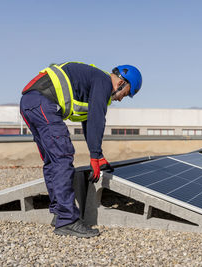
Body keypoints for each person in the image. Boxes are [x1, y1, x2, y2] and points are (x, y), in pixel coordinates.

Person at [20, 62, 142, 237]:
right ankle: (67, 221)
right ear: (121, 83)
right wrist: (96, 156)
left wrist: (96, 155)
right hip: (43, 102)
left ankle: (59, 213)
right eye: (126, 93)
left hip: (29, 103)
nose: (122, 98)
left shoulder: (93, 83)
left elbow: (89, 122)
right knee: (62, 158)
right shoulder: (103, 82)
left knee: (53, 161)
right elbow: (97, 118)